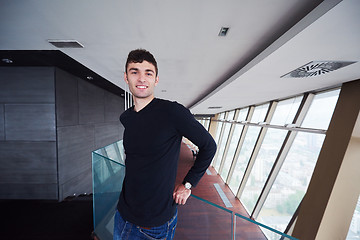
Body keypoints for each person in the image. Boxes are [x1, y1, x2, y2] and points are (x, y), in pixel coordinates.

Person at [114, 49, 217, 240]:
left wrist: (188, 184)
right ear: (126, 78)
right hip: (122, 215)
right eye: (134, 72)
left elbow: (209, 146)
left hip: (154, 225)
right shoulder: (126, 117)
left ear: (156, 80)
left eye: (148, 73)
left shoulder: (172, 112)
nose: (141, 78)